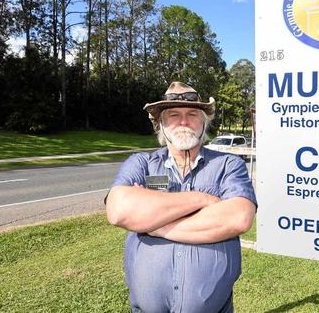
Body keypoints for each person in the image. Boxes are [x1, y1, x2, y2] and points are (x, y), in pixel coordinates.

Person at [105, 82, 257, 313]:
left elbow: (239, 218)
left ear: (204, 122)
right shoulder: (141, 163)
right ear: (161, 124)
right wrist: (201, 200)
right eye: (174, 115)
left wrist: (154, 225)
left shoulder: (228, 165)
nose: (184, 122)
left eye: (192, 114)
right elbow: (119, 211)